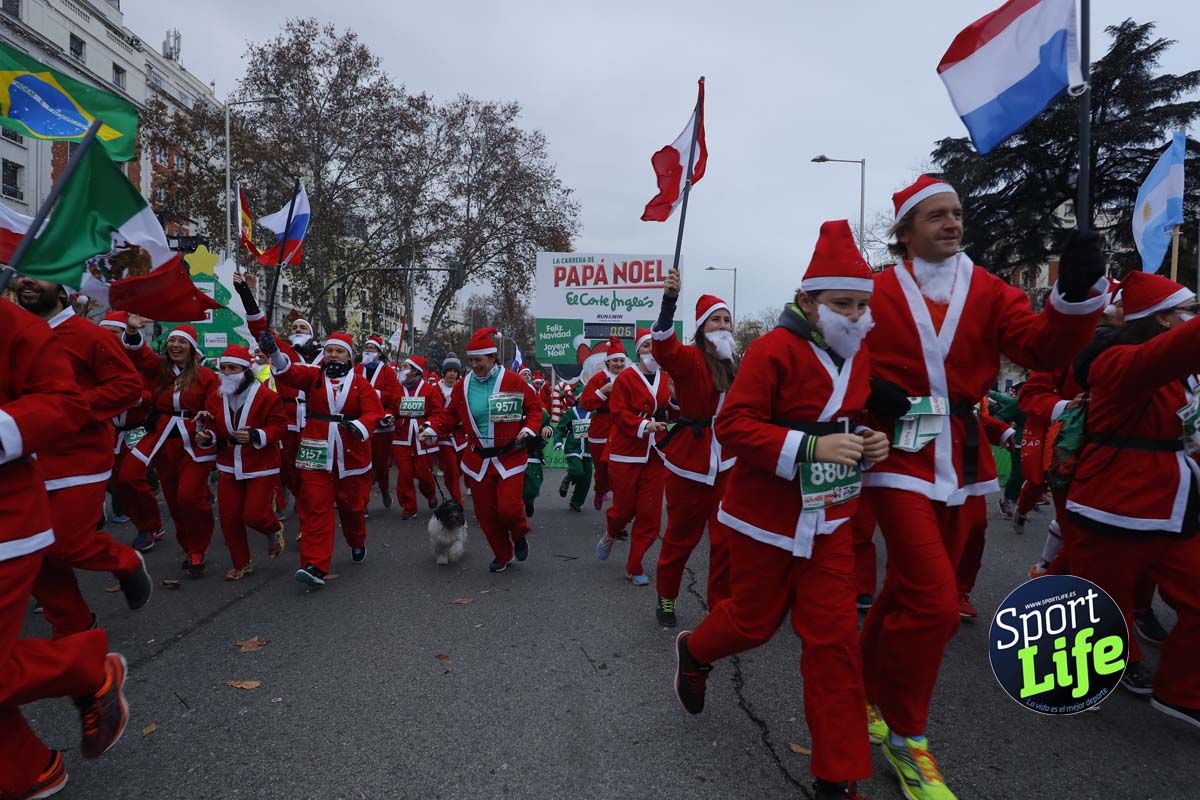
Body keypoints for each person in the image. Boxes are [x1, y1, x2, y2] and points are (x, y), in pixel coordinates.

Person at [858, 176, 1107, 799]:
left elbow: (1043, 347)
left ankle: (859, 688)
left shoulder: (991, 290)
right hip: (898, 453)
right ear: (905, 231)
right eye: (936, 215)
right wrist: (866, 390)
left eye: (957, 213)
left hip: (965, 457)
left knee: (905, 590)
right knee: (936, 603)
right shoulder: (875, 291)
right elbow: (833, 354)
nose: (952, 223)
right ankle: (909, 741)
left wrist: (1075, 294)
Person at [673, 220, 888, 800]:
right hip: (764, 519)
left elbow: (853, 421)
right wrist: (811, 447)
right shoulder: (772, 350)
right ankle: (694, 650)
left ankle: (836, 775)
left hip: (831, 522)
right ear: (807, 301)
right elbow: (733, 425)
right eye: (842, 304)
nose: (854, 315)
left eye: (862, 305)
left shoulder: (859, 356)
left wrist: (869, 441)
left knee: (836, 644)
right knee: (752, 623)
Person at [0, 298, 130, 800]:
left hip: (22, 500)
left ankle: (87, 666)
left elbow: (75, 399)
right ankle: (28, 769)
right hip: (46, 470)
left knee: (69, 545)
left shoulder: (23, 326)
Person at [1061, 270, 1198, 718]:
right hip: (1113, 506)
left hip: (1174, 507)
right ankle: (1114, 661)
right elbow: (1174, 352)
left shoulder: (1186, 375)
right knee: (1104, 603)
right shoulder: (1117, 362)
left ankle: (1180, 691)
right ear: (1161, 321)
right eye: (1187, 312)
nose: (1191, 318)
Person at [12, 278, 152, 637]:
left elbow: (128, 387)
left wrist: (66, 410)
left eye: (38, 273)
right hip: (23, 459)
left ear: (62, 291)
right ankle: (73, 625)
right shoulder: (13, 333)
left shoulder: (90, 336)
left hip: (79, 459)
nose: (25, 280)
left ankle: (125, 562)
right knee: (30, 551)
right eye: (21, 273)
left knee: (66, 543)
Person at [260, 330, 384, 587]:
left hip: (350, 454)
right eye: (329, 351)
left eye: (339, 351)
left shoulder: (361, 384)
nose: (333, 355)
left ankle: (357, 539)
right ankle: (314, 565)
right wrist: (273, 351)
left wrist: (360, 426)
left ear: (349, 357)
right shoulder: (313, 376)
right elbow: (287, 371)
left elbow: (374, 412)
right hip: (316, 451)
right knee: (315, 505)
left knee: (351, 507)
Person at [650, 274, 737, 626]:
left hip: (728, 461)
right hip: (690, 462)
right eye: (715, 319)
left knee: (727, 540)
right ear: (702, 327)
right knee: (680, 538)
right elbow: (663, 347)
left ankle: (720, 604)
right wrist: (669, 302)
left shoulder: (737, 362)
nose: (722, 324)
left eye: (727, 318)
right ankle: (667, 596)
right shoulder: (688, 358)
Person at [420, 328, 542, 573]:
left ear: (492, 358)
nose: (474, 365)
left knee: (509, 508)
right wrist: (431, 430)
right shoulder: (463, 386)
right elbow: (449, 416)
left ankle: (518, 534)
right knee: (485, 515)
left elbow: (535, 407)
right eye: (471, 361)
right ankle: (503, 554)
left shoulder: (513, 380)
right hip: (477, 460)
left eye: (479, 360)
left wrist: (528, 430)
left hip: (509, 456)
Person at [196, 345, 289, 580]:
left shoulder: (267, 396)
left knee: (254, 515)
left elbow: (279, 427)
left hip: (261, 463)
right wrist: (207, 436)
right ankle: (242, 562)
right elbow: (213, 427)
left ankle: (273, 528)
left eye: (233, 368)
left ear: (246, 370)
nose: (227, 373)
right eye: (224, 368)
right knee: (229, 518)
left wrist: (257, 434)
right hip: (228, 463)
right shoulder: (216, 396)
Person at [597, 328, 672, 585]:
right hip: (627, 453)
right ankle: (611, 531)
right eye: (647, 346)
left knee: (650, 515)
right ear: (638, 350)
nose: (652, 351)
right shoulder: (626, 378)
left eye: (656, 346)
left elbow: (671, 406)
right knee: (623, 510)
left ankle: (634, 565)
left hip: (656, 454)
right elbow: (617, 413)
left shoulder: (666, 377)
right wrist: (643, 426)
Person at [237, 276, 309, 515]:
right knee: (285, 465)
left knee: (307, 467)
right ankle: (287, 495)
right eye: (295, 327)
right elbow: (260, 329)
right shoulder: (284, 350)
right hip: (286, 416)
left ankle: (305, 507)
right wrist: (246, 295)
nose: (298, 330)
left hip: (312, 420)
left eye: (303, 328)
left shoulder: (325, 355)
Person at [99, 311, 165, 551]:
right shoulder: (94, 361)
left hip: (138, 430)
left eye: (114, 332)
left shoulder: (138, 361)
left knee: (131, 478)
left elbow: (155, 384)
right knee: (117, 484)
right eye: (104, 332)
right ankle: (140, 525)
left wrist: (139, 398)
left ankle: (151, 526)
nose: (108, 337)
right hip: (107, 432)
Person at [392, 355, 444, 519]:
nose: (402, 368)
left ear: (415, 371)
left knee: (424, 474)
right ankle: (409, 507)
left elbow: (437, 413)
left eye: (406, 366)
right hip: (402, 437)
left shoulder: (430, 390)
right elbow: (389, 409)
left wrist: (428, 425)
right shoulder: (397, 389)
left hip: (423, 437)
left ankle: (430, 493)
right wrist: (391, 418)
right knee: (405, 474)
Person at [579, 338, 627, 510]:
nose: (619, 364)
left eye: (622, 360)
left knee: (618, 468)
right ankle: (600, 490)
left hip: (621, 427)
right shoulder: (599, 378)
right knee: (602, 469)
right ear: (607, 362)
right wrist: (602, 392)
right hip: (600, 427)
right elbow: (585, 402)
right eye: (615, 360)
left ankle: (619, 505)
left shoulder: (630, 377)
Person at [355, 335, 402, 510]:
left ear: (380, 353)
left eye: (372, 348)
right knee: (363, 464)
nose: (367, 350)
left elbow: (395, 397)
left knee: (381, 466)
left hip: (382, 426)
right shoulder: (357, 369)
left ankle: (384, 490)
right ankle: (363, 502)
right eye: (366, 347)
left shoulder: (388, 372)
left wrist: (373, 393)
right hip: (361, 425)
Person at [435, 354, 468, 506]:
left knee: (466, 466)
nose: (452, 374)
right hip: (444, 435)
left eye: (455, 371)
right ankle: (457, 500)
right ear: (444, 372)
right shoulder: (435, 389)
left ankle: (469, 486)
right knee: (451, 470)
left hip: (462, 435)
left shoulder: (464, 387)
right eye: (449, 370)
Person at [555, 392, 592, 512]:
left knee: (586, 478)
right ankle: (567, 479)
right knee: (577, 472)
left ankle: (576, 502)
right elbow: (560, 428)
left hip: (588, 448)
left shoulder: (594, 412)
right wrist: (558, 441)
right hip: (573, 447)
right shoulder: (571, 412)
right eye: (584, 396)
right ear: (579, 398)